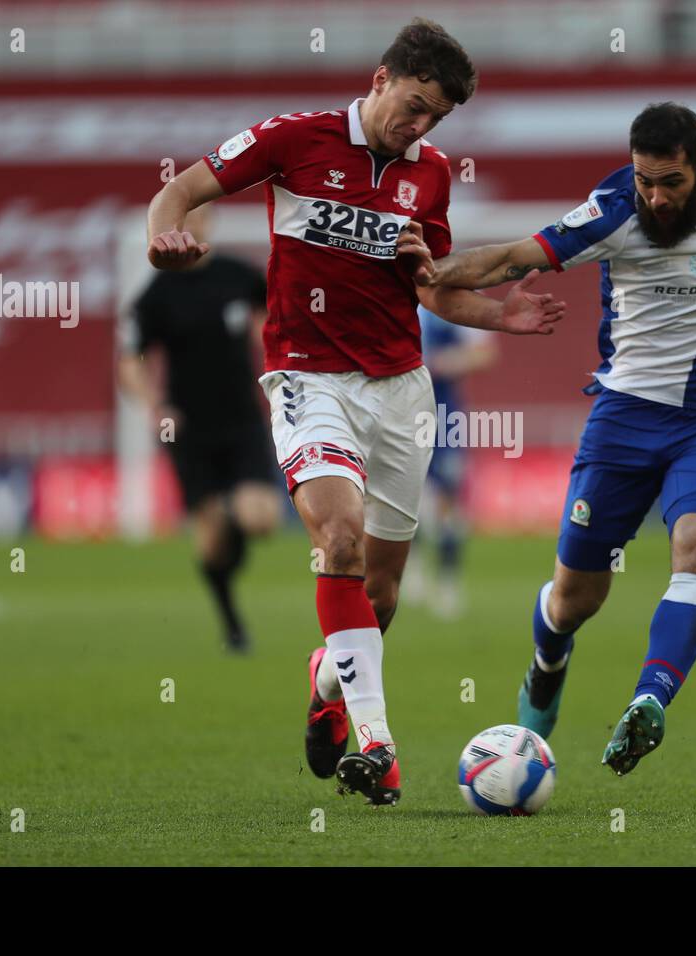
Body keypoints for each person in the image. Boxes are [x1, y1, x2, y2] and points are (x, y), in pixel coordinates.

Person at [143, 18, 564, 805]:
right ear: (379, 79)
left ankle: (327, 682)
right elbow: (181, 189)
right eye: (413, 105)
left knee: (380, 595)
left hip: (401, 388)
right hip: (309, 378)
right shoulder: (292, 139)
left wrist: (499, 315)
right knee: (336, 537)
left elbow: (432, 286)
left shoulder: (431, 175)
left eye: (434, 117)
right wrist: (161, 237)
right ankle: (378, 743)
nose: (419, 126)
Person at [421, 102, 696, 775]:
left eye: (670, 184)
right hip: (625, 420)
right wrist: (430, 272)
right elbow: (514, 258)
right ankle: (547, 665)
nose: (654, 198)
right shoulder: (614, 211)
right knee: (574, 600)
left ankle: (648, 703)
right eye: (644, 180)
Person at [118, 202, 282, 653]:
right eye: (184, 220)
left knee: (261, 518)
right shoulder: (156, 294)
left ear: (209, 221)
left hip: (243, 419)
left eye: (200, 217)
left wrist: (276, 359)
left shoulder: (238, 275)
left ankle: (229, 515)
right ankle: (232, 622)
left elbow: (275, 320)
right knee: (210, 547)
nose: (194, 226)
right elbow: (130, 362)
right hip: (190, 429)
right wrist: (156, 405)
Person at [404, 304, 498, 619]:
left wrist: (444, 362)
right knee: (403, 492)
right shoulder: (389, 285)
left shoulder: (457, 296)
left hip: (444, 414)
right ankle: (408, 569)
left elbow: (484, 353)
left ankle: (447, 580)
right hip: (400, 412)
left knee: (449, 498)